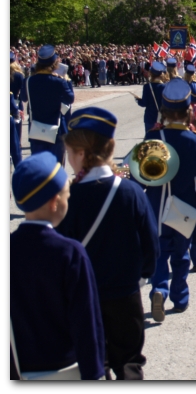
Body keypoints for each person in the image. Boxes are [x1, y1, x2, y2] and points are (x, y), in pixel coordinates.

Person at [57, 107, 159, 380]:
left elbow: (62, 249)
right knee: (129, 363)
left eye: (69, 152)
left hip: (84, 296)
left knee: (94, 365)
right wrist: (144, 273)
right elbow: (150, 240)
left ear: (81, 154)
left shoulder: (70, 198)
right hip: (126, 292)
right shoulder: (131, 191)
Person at [11, 152, 106, 380]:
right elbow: (86, 323)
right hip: (64, 369)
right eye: (67, 195)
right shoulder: (70, 253)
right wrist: (94, 374)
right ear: (55, 202)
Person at [144, 78, 196, 320]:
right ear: (188, 111)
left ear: (163, 111)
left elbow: (142, 175)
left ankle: (159, 289)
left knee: (159, 253)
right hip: (185, 207)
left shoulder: (153, 136)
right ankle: (180, 297)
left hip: (157, 205)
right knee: (181, 255)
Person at [20, 44, 75, 163]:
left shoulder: (29, 81)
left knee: (39, 167)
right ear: (54, 63)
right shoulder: (59, 81)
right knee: (56, 168)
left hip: (36, 130)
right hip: (55, 129)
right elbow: (70, 99)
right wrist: (65, 81)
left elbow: (23, 98)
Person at [133, 61, 166, 133]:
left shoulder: (147, 87)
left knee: (150, 138)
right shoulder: (165, 87)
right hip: (163, 118)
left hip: (150, 118)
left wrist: (137, 100)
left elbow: (144, 103)